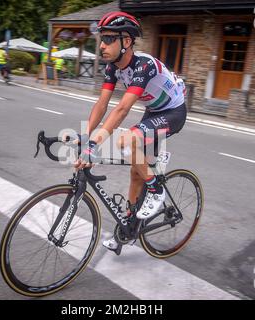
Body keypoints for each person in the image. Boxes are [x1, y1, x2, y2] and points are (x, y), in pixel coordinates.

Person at [74, 11, 187, 253]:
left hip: (174, 112)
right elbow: (102, 105)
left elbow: (122, 109)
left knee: (127, 141)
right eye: (101, 39)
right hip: (154, 112)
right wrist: (84, 136)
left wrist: (93, 146)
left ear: (126, 42)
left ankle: (156, 189)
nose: (102, 45)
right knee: (136, 175)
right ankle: (129, 229)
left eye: (109, 39)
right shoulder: (113, 68)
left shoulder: (143, 65)